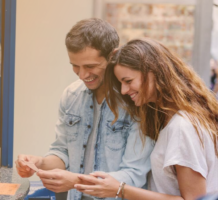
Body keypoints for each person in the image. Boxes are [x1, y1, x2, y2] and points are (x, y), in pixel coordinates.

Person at [15, 19, 153, 200]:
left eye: (90, 66)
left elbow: (133, 175)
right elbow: (62, 152)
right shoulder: (71, 96)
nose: (82, 75)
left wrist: (75, 181)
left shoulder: (135, 101)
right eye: (75, 66)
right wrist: (40, 162)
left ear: (113, 56)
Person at [74, 38, 218, 200]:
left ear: (154, 72)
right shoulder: (170, 119)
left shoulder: (181, 127)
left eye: (128, 81)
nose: (123, 90)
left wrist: (120, 189)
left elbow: (193, 199)